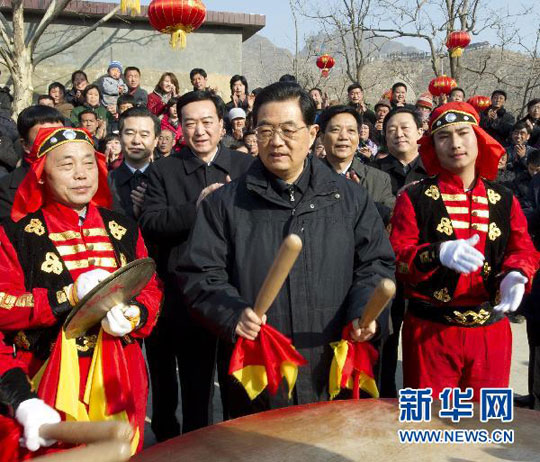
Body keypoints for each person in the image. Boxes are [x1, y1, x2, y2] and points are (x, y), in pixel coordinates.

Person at [176, 82, 395, 418]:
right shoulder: (225, 204)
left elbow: (375, 264)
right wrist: (233, 314)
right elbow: (200, 275)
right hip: (260, 369)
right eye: (266, 130)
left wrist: (364, 313)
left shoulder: (349, 198)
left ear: (312, 134)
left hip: (330, 365)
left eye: (289, 130)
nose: (276, 141)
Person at [0, 125, 162, 454]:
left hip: (121, 375)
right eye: (67, 164)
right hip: (48, 375)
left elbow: (150, 288)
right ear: (41, 174)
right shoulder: (15, 233)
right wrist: (67, 297)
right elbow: (5, 304)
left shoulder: (123, 228)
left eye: (89, 163)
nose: (81, 174)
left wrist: (135, 314)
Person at [390, 101, 539, 398]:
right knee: (427, 420)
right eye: (444, 137)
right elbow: (398, 258)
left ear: (478, 138)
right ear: (433, 146)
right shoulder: (414, 197)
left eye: (463, 133)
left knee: (486, 419)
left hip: (491, 334)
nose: (455, 143)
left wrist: (517, 274)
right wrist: (436, 253)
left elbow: (523, 248)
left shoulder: (504, 198)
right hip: (431, 332)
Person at [139, 90, 253, 439]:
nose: (199, 131)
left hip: (237, 292)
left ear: (222, 126)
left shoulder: (246, 167)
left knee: (238, 384)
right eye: (190, 123)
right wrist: (197, 206)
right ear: (180, 128)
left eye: (207, 122)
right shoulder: (163, 170)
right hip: (185, 295)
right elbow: (150, 221)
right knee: (195, 386)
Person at [373, 106, 428, 397]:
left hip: (424, 267)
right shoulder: (373, 171)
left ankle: (420, 397)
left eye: (405, 127)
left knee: (422, 339)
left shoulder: (435, 170)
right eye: (391, 129)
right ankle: (384, 395)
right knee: (386, 334)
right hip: (386, 267)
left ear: (420, 131)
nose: (398, 134)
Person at [318, 105, 394, 225]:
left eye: (351, 131)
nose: (343, 137)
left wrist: (361, 199)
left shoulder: (379, 180)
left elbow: (391, 224)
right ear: (322, 137)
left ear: (358, 138)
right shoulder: (306, 176)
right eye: (335, 130)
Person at [0, 106, 64, 223]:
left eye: (60, 136)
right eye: (45, 139)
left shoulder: (82, 178)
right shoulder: (6, 189)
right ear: (25, 145)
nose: (55, 145)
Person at [109, 107, 158, 220]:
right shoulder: (106, 181)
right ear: (120, 138)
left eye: (144, 135)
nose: (136, 141)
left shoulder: (166, 180)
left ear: (155, 140)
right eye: (130, 133)